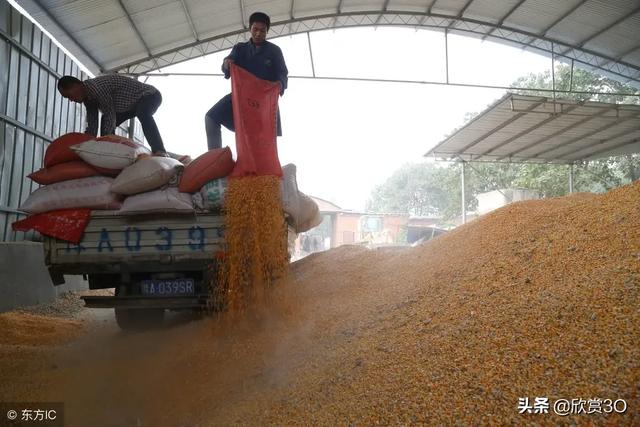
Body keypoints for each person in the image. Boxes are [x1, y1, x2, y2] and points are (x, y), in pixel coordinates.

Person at [205, 11, 289, 150]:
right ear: (250, 28)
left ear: (267, 32)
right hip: (240, 98)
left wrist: (279, 85)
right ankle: (214, 156)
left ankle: (262, 167)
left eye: (262, 31)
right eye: (255, 29)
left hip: (263, 104)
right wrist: (227, 63)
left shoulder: (274, 51)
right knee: (211, 117)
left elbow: (282, 74)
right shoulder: (240, 48)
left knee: (259, 143)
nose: (258, 34)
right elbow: (226, 66)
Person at [57, 74, 168, 156]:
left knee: (142, 114)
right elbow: (92, 126)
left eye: (69, 95)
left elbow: (110, 114)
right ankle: (111, 150)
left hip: (150, 95)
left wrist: (105, 142)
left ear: (78, 85)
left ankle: (159, 149)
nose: (71, 100)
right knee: (105, 122)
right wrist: (85, 145)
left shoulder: (96, 88)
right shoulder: (88, 99)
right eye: (67, 98)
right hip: (130, 105)